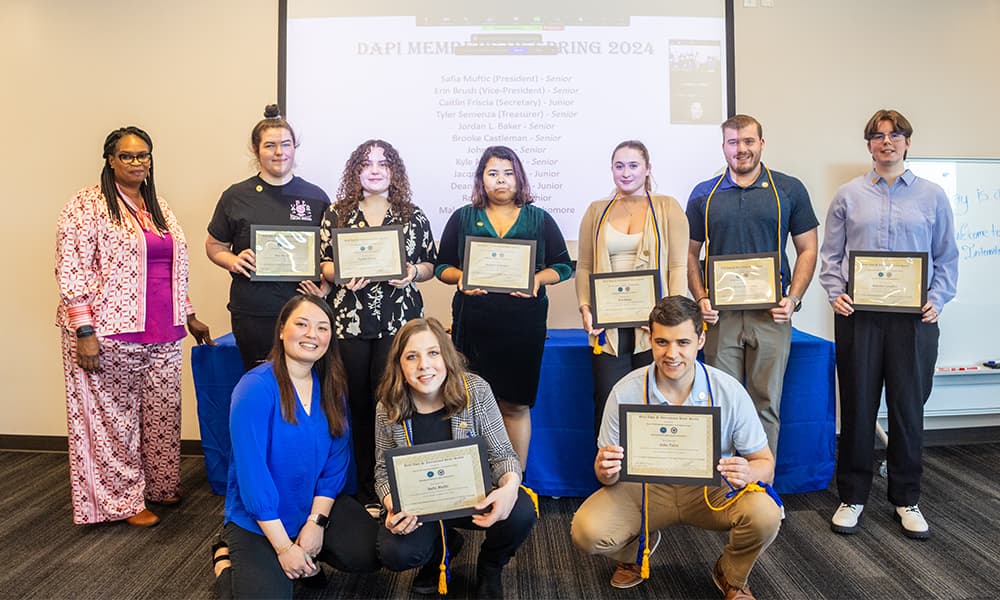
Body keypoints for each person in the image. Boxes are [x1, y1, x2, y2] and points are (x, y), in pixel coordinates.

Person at [571, 296, 781, 600]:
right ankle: (636, 547)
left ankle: (731, 574)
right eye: (662, 342)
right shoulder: (625, 390)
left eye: (683, 342)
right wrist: (604, 470)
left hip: (711, 491)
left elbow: (766, 465)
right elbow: (606, 477)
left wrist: (748, 470)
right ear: (650, 339)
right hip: (646, 490)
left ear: (700, 340)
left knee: (766, 514)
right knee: (586, 532)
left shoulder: (728, 390)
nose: (672, 354)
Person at [55, 126, 213, 526]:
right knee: (114, 422)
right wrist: (83, 331)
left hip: (164, 330)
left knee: (163, 413)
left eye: (144, 155)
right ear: (110, 159)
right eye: (128, 156)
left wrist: (189, 314)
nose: (138, 162)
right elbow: (71, 269)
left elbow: (171, 267)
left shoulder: (156, 204)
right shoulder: (86, 205)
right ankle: (123, 502)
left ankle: (159, 486)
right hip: (107, 332)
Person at [820, 109, 958, 540]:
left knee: (907, 411)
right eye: (878, 136)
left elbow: (948, 258)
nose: (886, 142)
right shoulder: (848, 195)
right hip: (859, 318)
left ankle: (906, 499)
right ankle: (853, 496)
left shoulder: (933, 196)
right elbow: (831, 256)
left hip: (914, 321)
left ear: (907, 143)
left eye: (895, 135)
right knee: (859, 407)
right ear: (868, 145)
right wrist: (834, 291)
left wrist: (936, 300)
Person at [210, 295, 379, 599]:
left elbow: (335, 463)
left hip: (310, 507)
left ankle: (307, 558)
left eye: (322, 327)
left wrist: (317, 522)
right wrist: (284, 548)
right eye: (302, 324)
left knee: (368, 551)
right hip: (261, 519)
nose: (312, 334)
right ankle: (224, 560)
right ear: (281, 330)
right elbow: (252, 476)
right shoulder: (255, 387)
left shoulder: (331, 387)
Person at [686, 114, 819, 458]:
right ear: (723, 147)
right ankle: (724, 488)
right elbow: (689, 253)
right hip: (721, 317)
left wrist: (794, 298)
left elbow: (808, 249)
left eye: (748, 141)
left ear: (761, 143)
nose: (741, 149)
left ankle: (762, 487)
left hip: (771, 315)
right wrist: (700, 298)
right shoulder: (704, 193)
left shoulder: (788, 189)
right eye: (733, 142)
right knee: (721, 402)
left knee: (766, 402)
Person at [374, 317, 537, 599]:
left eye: (433, 353)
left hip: (475, 498)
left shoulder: (475, 390)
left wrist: (510, 486)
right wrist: (392, 505)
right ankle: (441, 550)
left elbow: (502, 454)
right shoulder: (388, 406)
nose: (424, 365)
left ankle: (490, 567)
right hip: (421, 508)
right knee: (395, 553)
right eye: (411, 356)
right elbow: (382, 473)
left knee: (521, 511)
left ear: (447, 357)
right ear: (399, 364)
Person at [436, 145, 574, 468]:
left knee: (515, 405)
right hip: (474, 326)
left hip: (522, 328)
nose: (501, 180)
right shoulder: (464, 217)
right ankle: (473, 479)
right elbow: (442, 266)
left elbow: (565, 266)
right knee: (469, 404)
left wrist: (538, 279)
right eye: (493, 173)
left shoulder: (539, 218)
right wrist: (461, 278)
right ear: (481, 179)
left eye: (508, 173)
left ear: (519, 178)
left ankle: (517, 481)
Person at [319, 139, 437, 508]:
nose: (374, 170)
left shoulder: (413, 215)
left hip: (399, 325)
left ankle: (397, 486)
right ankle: (364, 489)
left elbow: (431, 264)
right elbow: (322, 263)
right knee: (355, 404)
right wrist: (340, 275)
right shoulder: (335, 214)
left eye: (383, 164)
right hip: (350, 324)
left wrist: (412, 272)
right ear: (355, 170)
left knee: (392, 402)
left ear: (394, 172)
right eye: (366, 164)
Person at [576, 140, 690, 441]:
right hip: (608, 328)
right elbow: (585, 265)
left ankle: (654, 480)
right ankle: (610, 479)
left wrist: (670, 318)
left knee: (654, 401)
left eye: (633, 165)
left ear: (648, 168)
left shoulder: (668, 207)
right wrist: (586, 308)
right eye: (619, 166)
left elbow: (678, 267)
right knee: (608, 403)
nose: (626, 173)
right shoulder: (596, 211)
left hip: (653, 326)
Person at [206, 104, 330, 371]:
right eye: (270, 145)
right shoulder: (236, 196)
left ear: (294, 147)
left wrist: (325, 290)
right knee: (260, 381)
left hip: (305, 311)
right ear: (256, 149)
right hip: (253, 312)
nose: (279, 152)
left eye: (286, 144)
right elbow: (214, 245)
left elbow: (330, 257)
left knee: (307, 384)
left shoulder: (316, 197)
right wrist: (232, 260)